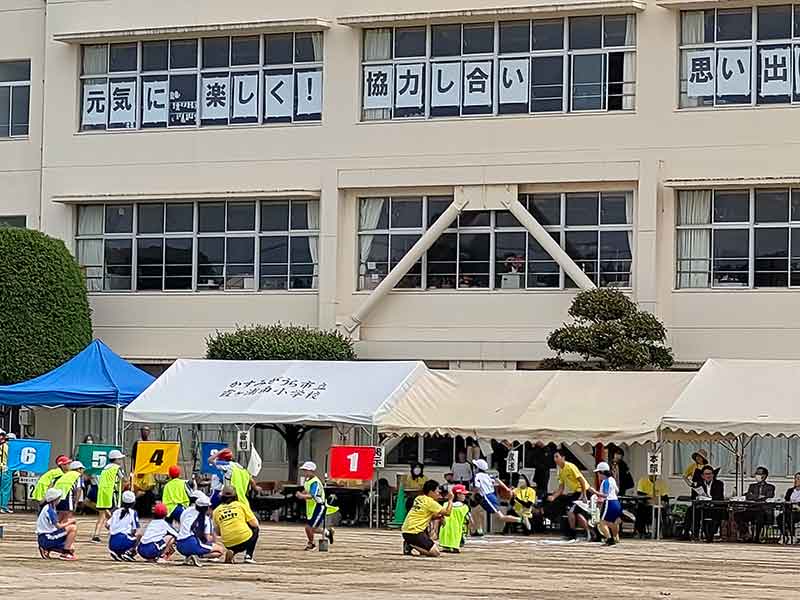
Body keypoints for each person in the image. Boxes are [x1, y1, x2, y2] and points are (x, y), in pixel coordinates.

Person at [401, 479, 454, 557]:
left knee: (425, 551)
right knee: (436, 553)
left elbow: (427, 516)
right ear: (431, 492)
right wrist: (450, 500)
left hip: (406, 531)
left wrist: (439, 517)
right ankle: (410, 545)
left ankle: (411, 544)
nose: (438, 494)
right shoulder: (430, 502)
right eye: (437, 492)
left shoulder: (419, 498)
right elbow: (447, 513)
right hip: (415, 532)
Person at [547, 450, 591, 540]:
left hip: (582, 491)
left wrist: (584, 495)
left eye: (557, 457)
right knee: (577, 514)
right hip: (575, 493)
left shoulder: (570, 466)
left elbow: (582, 481)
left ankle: (573, 533)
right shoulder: (559, 470)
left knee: (570, 511)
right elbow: (561, 488)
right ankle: (589, 532)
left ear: (563, 458)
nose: (555, 459)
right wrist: (554, 496)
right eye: (554, 457)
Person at [471, 458, 523, 533]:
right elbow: (497, 480)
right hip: (491, 496)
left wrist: (473, 495)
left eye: (475, 466)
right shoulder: (488, 475)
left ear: (478, 468)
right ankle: (479, 530)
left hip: (487, 497)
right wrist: (507, 489)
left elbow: (476, 488)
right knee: (476, 511)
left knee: (501, 517)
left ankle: (521, 520)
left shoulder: (477, 476)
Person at [176, 492, 225, 566]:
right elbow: (208, 538)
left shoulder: (187, 511)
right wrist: (215, 538)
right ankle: (197, 555)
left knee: (200, 543)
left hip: (179, 545)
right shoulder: (206, 519)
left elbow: (182, 523)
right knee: (220, 550)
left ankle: (190, 555)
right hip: (191, 542)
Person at [295, 461, 336, 550]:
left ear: (312, 471)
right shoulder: (307, 481)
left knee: (309, 527)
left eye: (306, 470)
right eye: (304, 470)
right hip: (311, 507)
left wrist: (302, 496)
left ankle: (311, 543)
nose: (305, 473)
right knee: (312, 527)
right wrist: (303, 493)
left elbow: (313, 495)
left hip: (319, 506)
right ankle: (328, 533)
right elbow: (307, 491)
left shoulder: (315, 482)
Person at [213, 487, 259, 564]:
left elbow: (218, 533)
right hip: (244, 541)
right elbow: (255, 524)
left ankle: (232, 552)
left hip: (227, 543)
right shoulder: (240, 505)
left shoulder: (216, 511)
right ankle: (248, 556)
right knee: (255, 529)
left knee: (233, 538)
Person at [682, 465, 724, 542]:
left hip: (713, 507)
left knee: (717, 513)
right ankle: (689, 533)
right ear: (702, 476)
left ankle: (710, 534)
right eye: (706, 474)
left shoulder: (719, 484)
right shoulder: (698, 484)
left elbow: (719, 497)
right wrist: (699, 497)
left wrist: (708, 498)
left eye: (710, 474)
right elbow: (693, 497)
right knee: (691, 510)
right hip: (702, 506)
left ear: (713, 475)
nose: (708, 476)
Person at [734, 466, 776, 542]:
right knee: (737, 515)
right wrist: (758, 496)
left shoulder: (770, 487)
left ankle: (756, 537)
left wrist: (754, 496)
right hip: (751, 509)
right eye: (756, 473)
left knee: (760, 515)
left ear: (764, 476)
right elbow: (748, 496)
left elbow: (768, 497)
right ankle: (746, 534)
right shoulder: (752, 486)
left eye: (759, 474)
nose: (757, 475)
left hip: (763, 510)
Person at [92, 449, 125, 543]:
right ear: (116, 459)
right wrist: (121, 490)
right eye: (120, 459)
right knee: (116, 513)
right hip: (112, 493)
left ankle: (96, 535)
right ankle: (113, 529)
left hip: (102, 492)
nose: (121, 461)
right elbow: (124, 480)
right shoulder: (117, 468)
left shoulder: (105, 468)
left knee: (101, 515)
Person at [36, 488, 78, 560]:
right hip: (47, 537)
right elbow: (58, 526)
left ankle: (47, 548)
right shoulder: (50, 510)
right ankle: (65, 553)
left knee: (72, 548)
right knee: (73, 528)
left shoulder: (49, 507)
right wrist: (70, 522)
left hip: (45, 537)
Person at [590, 462, 622, 546]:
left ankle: (609, 539)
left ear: (602, 472)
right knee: (614, 522)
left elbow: (605, 494)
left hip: (609, 502)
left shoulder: (605, 482)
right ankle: (615, 538)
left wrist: (594, 492)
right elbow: (617, 491)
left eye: (598, 473)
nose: (598, 475)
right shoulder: (612, 479)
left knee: (602, 523)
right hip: (616, 502)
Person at [108, 490, 141, 561]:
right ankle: (129, 552)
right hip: (123, 539)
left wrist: (114, 529)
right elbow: (137, 531)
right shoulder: (133, 513)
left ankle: (118, 553)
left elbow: (107, 525)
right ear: (133, 502)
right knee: (139, 536)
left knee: (127, 537)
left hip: (111, 542)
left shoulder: (116, 511)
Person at [130, 426, 157, 517]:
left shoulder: (150, 444)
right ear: (141, 431)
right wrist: (135, 470)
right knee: (139, 490)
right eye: (143, 430)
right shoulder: (137, 443)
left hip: (148, 471)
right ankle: (138, 512)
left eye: (147, 430)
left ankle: (147, 512)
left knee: (148, 491)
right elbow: (133, 458)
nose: (145, 432)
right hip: (139, 470)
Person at [438, 484, 471, 553]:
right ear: (458, 494)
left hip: (444, 538)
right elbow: (468, 521)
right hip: (456, 537)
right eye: (463, 494)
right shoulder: (465, 507)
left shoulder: (445, 504)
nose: (465, 496)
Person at [779, 472, 800, 539]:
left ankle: (792, 536)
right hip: (789, 510)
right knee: (780, 517)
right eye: (795, 478)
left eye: (798, 478)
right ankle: (785, 535)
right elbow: (786, 500)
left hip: (798, 511)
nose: (796, 480)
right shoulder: (790, 490)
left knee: (790, 517)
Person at [0, 429, 11, 514]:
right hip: (5, 469)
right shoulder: (6, 447)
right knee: (5, 489)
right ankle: (3, 506)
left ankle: (3, 506)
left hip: (3, 469)